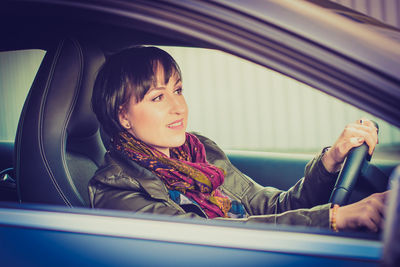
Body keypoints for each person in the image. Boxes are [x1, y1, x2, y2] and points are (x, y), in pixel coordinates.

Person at [89, 46, 387, 232]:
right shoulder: (115, 188)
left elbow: (270, 208)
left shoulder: (199, 151)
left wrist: (331, 160)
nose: (178, 106)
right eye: (157, 97)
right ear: (123, 116)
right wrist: (333, 219)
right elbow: (209, 236)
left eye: (177, 90)